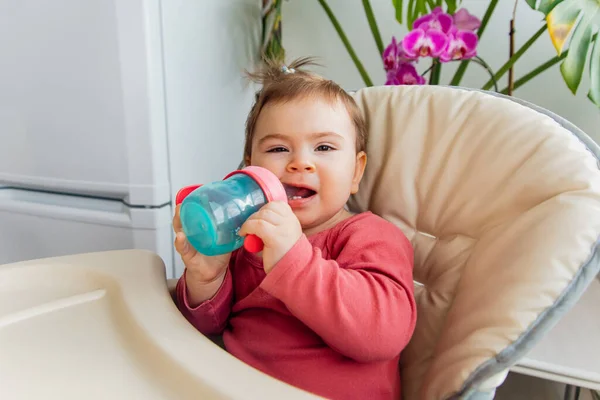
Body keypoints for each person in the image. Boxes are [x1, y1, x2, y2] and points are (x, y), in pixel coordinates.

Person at [172, 57, 417, 400]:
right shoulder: (243, 236)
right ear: (250, 166)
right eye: (278, 148)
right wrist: (207, 277)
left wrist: (293, 259)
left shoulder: (370, 236)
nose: (300, 162)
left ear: (356, 173)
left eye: (324, 147)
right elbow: (203, 329)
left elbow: (383, 335)